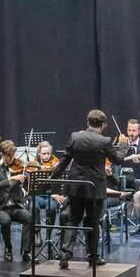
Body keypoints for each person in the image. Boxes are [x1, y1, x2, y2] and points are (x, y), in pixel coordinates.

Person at [52, 109, 129, 268]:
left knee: (73, 219)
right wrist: (123, 145)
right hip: (95, 188)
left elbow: (65, 160)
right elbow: (118, 160)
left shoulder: (75, 136)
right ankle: (93, 257)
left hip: (75, 185)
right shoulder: (105, 141)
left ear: (88, 123)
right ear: (103, 125)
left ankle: (65, 255)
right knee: (92, 221)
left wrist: (53, 178)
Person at [0, 140, 34, 262]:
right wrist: (11, 178)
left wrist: (26, 179)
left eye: (14, 155)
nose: (13, 158)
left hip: (13, 205)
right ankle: (8, 248)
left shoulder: (17, 166)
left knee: (28, 217)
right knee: (6, 220)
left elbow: (26, 183)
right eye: (10, 156)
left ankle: (26, 251)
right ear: (3, 154)